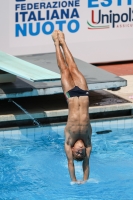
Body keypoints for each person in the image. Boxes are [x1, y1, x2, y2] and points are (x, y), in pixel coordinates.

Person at [52, 30, 92, 184]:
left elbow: (70, 163)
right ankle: (63, 41)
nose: (81, 151)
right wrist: (85, 180)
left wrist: (74, 180)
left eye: (78, 154)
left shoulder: (69, 141)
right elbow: (87, 163)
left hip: (71, 96)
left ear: (73, 151)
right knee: (74, 68)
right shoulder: (88, 141)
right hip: (83, 94)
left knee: (64, 70)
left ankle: (56, 44)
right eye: (82, 153)